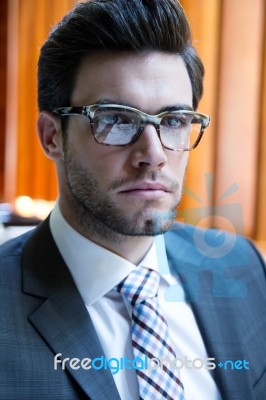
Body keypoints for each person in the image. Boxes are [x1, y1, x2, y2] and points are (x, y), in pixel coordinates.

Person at [0, 0, 265, 399]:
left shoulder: (241, 266)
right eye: (115, 119)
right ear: (53, 136)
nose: (154, 154)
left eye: (174, 121)